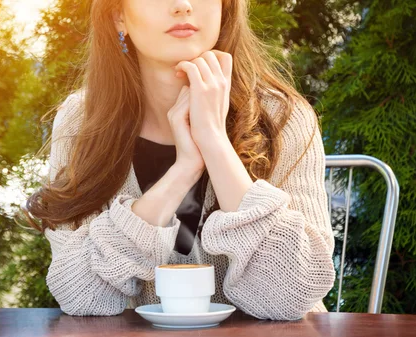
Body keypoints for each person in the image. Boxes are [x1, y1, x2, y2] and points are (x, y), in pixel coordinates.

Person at [24, 0, 335, 320]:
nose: (183, 5)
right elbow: (81, 295)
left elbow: (292, 294)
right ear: (119, 16)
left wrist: (214, 140)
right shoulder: (82, 121)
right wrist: (184, 170)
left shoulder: (283, 116)